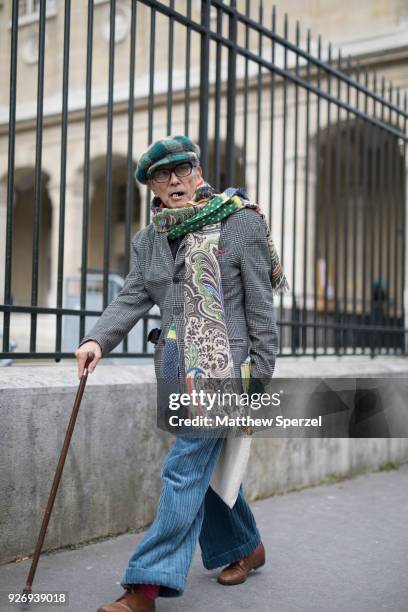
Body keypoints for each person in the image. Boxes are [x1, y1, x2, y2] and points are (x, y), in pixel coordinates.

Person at [75, 135, 287, 612]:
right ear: (150, 184)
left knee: (183, 470)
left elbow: (261, 308)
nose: (173, 180)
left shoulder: (239, 223)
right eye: (160, 174)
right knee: (203, 469)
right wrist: (96, 340)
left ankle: (145, 587)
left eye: (181, 169)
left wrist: (260, 378)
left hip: (224, 370)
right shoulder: (149, 239)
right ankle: (246, 546)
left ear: (196, 171)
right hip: (175, 369)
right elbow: (133, 294)